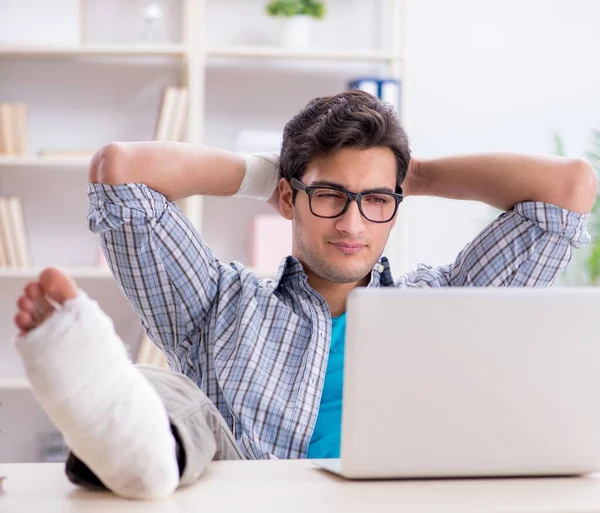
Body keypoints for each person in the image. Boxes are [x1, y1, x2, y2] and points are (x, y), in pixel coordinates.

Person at [14, 90, 597, 500]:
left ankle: (134, 447)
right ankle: (133, 443)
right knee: (163, 391)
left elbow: (569, 187)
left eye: (376, 200)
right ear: (289, 200)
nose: (352, 223)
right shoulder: (223, 300)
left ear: (395, 207)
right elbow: (119, 171)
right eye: (328, 196)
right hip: (245, 493)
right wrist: (268, 174)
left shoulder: (444, 303)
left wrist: (413, 176)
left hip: (400, 500)